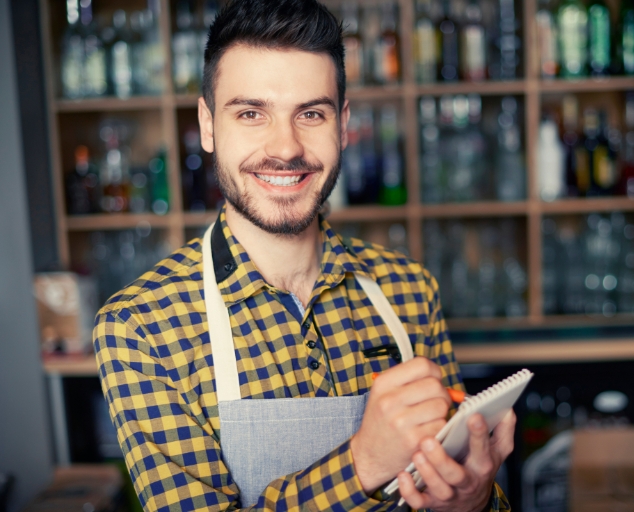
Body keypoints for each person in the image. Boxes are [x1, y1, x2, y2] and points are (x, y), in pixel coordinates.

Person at [93, 0, 516, 510]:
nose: (286, 147)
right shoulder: (141, 328)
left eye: (310, 114)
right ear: (207, 126)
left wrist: (471, 499)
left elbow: (447, 483)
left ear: (342, 126)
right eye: (251, 113)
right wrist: (361, 464)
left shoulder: (408, 290)